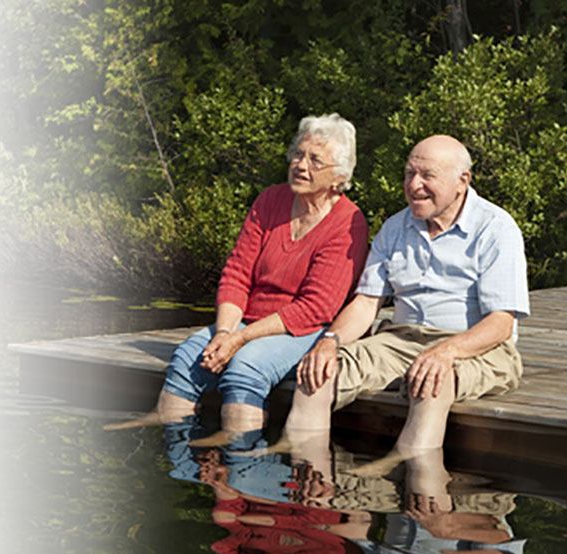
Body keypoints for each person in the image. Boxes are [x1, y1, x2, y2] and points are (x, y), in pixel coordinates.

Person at [107, 113, 368, 438]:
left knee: (246, 367)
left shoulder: (348, 221)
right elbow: (237, 274)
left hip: (300, 330)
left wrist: (240, 339)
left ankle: (240, 467)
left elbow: (317, 308)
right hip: (244, 321)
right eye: (298, 155)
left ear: (338, 176)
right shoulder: (270, 199)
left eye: (315, 160)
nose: (301, 165)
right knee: (188, 356)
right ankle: (178, 453)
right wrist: (225, 331)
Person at [287, 135, 529, 452]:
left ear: (462, 181)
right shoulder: (394, 228)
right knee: (317, 375)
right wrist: (329, 342)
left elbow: (499, 324)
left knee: (433, 382)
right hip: (401, 340)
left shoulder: (496, 228)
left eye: (427, 176)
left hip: (477, 346)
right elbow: (366, 304)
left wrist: (446, 352)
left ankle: (417, 483)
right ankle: (303, 479)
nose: (414, 185)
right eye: (409, 174)